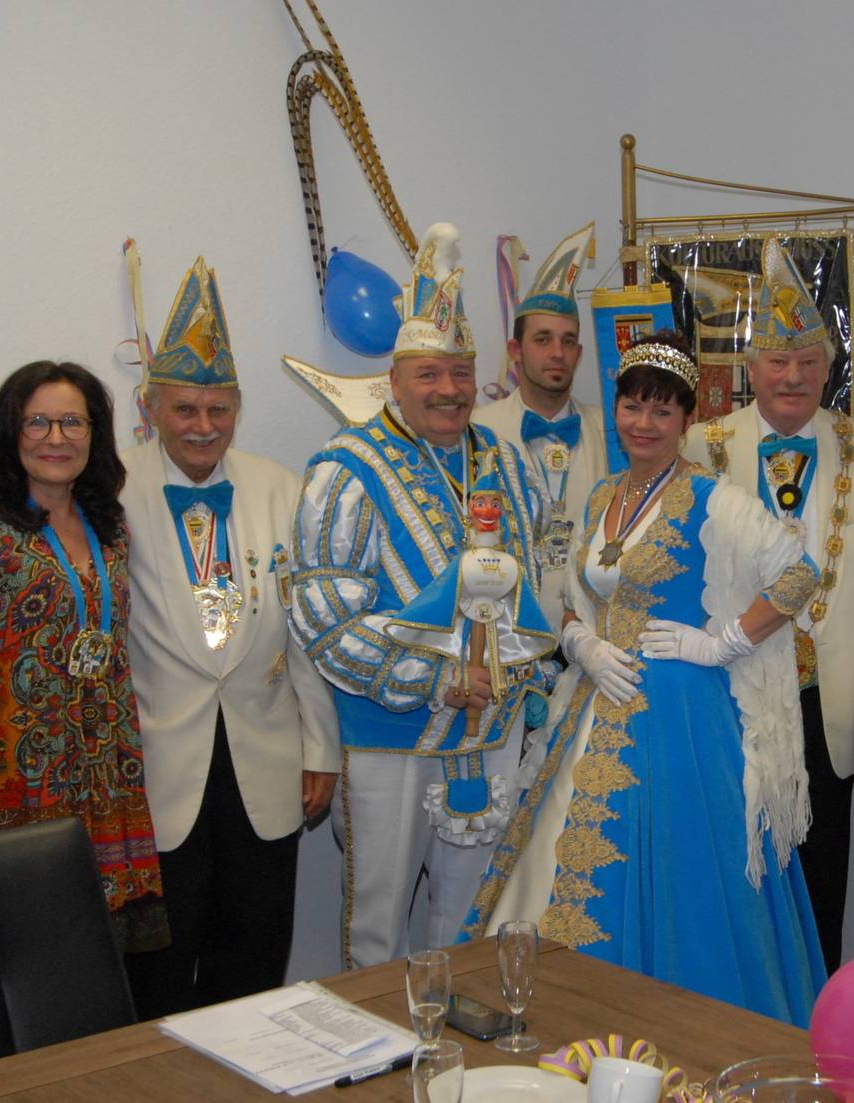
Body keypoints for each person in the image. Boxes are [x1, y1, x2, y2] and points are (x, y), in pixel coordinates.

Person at [466, 333, 828, 1026]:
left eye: (662, 412)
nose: (644, 424)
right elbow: (575, 587)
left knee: (681, 881)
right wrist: (578, 640)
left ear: (688, 420)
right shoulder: (606, 490)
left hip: (682, 722)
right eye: (633, 406)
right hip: (596, 702)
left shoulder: (714, 498)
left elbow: (800, 574)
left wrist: (721, 641)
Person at [290, 225, 555, 967]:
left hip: (492, 731)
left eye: (461, 372)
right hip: (387, 735)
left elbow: (533, 584)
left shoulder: (507, 461)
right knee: (377, 928)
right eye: (430, 373)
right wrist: (440, 678)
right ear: (397, 380)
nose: (449, 389)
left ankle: (457, 1062)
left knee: (471, 921)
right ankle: (378, 1070)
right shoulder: (344, 470)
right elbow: (323, 617)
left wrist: (523, 677)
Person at [118, 260, 338, 1016]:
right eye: (185, 410)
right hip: (156, 766)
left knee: (252, 955)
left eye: (217, 409)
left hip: (265, 763)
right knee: (157, 967)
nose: (203, 425)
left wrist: (321, 748)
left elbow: (306, 630)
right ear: (152, 407)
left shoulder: (283, 487)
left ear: (238, 407)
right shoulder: (106, 490)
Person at [679, 239, 854, 970]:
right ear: (750, 369)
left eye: (808, 361)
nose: (793, 375)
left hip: (827, 707)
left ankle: (817, 1038)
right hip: (730, 695)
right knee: (737, 874)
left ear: (828, 370)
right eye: (777, 360)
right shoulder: (698, 449)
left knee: (823, 881)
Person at [0, 360, 165, 948]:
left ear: (95, 434)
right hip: (7, 785)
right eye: (38, 423)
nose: (57, 439)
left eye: (73, 422)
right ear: (10, 432)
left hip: (102, 776)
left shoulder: (108, 526)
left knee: (93, 967)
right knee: (13, 961)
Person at [474, 222, 608, 631]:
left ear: (580, 352)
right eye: (543, 339)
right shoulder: (477, 432)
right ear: (515, 350)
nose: (557, 353)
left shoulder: (612, 433)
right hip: (506, 635)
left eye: (568, 342)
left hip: (591, 631)